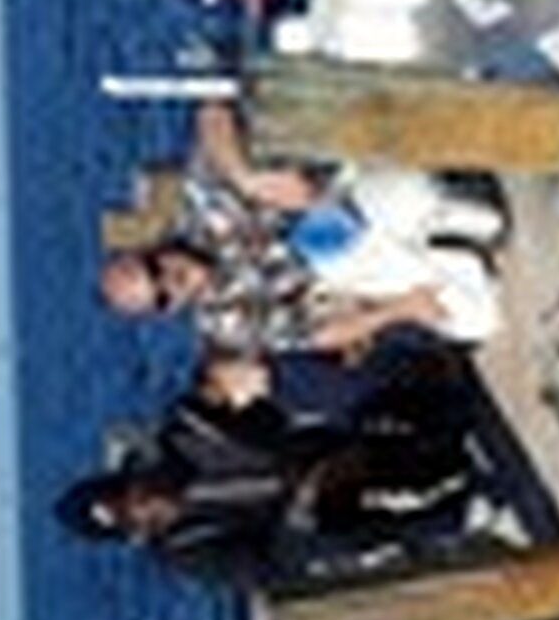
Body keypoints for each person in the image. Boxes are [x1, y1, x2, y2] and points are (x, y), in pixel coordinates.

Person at [56, 357, 510, 593]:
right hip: (315, 518)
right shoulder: (184, 552)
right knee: (327, 547)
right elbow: (272, 569)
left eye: (126, 494)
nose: (138, 505)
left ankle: (438, 418)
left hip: (325, 442)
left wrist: (224, 379)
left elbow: (247, 396)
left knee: (328, 404)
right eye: (129, 518)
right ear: (133, 533)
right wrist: (304, 503)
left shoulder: (185, 429)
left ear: (127, 476)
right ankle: (457, 517)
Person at [100, 102, 506, 358]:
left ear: (155, 248)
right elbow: (316, 334)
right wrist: (400, 310)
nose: (170, 280)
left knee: (424, 196)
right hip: (343, 267)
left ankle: (448, 219)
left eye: (154, 268)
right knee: (476, 320)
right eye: (162, 297)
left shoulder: (198, 207)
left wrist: (245, 178)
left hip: (340, 196)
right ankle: (450, 252)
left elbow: (212, 114)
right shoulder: (224, 320)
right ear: (169, 310)